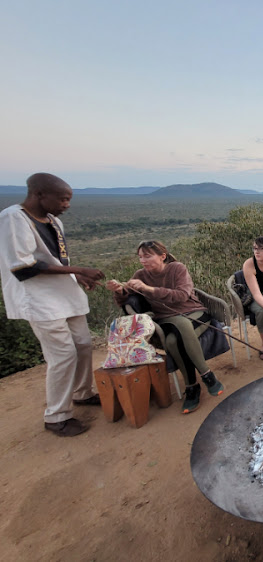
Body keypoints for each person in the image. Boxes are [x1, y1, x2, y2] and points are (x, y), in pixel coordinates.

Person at [0, 173, 104, 437]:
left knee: (83, 345)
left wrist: (76, 275)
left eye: (68, 199)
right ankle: (57, 416)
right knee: (62, 355)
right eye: (62, 199)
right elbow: (22, 267)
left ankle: (82, 393)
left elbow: (56, 261)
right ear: (39, 195)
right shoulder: (14, 218)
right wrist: (80, 268)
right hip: (40, 300)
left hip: (65, 296)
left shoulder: (54, 222)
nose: (66, 204)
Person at [106, 240, 224, 414]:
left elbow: (183, 296)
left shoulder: (177, 269)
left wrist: (150, 289)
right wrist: (119, 291)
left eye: (147, 256)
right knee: (177, 330)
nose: (143, 261)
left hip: (193, 313)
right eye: (140, 257)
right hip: (165, 319)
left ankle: (193, 385)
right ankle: (206, 376)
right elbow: (125, 301)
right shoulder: (140, 274)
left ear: (162, 256)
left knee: (171, 340)